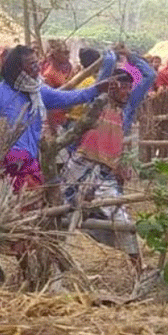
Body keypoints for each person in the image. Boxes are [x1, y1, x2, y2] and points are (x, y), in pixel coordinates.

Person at [0, 45, 106, 193]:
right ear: (18, 68)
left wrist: (96, 89)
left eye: (37, 63)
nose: (37, 68)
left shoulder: (37, 91)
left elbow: (65, 98)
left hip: (31, 162)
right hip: (3, 171)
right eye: (31, 64)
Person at [61, 58, 144, 270]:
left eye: (129, 88)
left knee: (123, 222)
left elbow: (147, 76)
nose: (127, 92)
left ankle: (139, 270)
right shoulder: (97, 103)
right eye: (121, 87)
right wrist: (111, 58)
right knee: (59, 215)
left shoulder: (125, 111)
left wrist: (129, 58)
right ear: (112, 87)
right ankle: (54, 263)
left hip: (105, 176)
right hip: (79, 170)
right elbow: (104, 71)